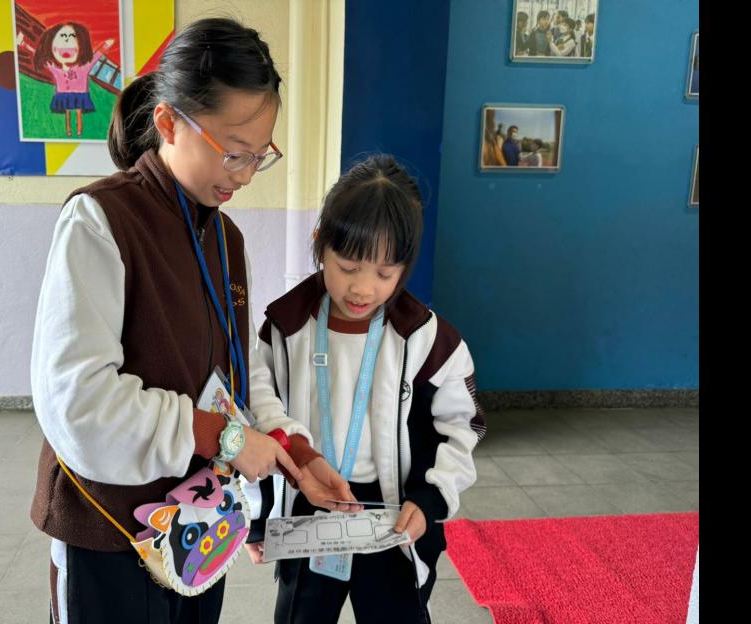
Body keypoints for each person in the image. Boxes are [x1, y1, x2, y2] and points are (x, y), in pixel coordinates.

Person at [29, 17, 356, 624]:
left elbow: (240, 378)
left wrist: (296, 455)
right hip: (110, 532)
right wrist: (223, 439)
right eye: (232, 151)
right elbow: (79, 404)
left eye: (259, 156)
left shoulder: (226, 239)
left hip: (198, 530)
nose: (243, 174)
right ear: (168, 123)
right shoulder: (100, 221)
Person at [245, 155, 486, 624]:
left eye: (384, 273)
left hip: (394, 511)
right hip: (310, 504)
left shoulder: (427, 339)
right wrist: (259, 518)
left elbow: (462, 427)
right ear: (320, 244)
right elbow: (259, 416)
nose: (363, 288)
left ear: (405, 268)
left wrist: (430, 499)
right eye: (348, 266)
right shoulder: (285, 328)